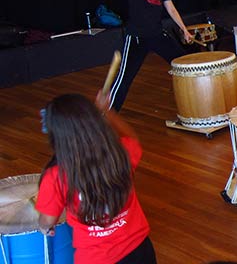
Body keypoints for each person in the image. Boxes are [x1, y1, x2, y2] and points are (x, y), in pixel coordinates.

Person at [36, 93, 155, 263]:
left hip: (97, 258)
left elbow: (47, 221)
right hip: (140, 249)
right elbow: (133, 139)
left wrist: (45, 227)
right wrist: (106, 111)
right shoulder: (121, 153)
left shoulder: (55, 177)